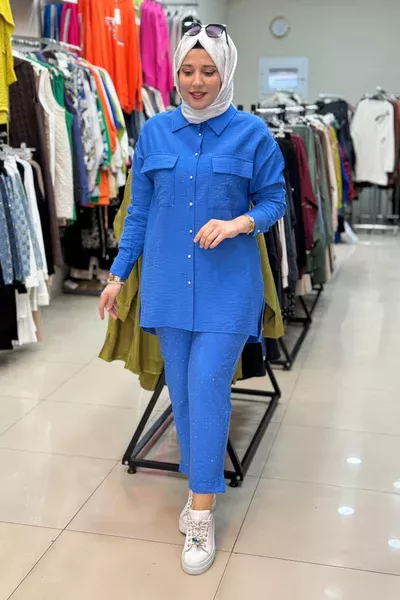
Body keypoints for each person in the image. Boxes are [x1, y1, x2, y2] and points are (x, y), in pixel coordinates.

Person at [99, 23, 286, 576]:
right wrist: (116, 275)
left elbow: (275, 200)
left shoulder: (252, 134)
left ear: (226, 72)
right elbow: (138, 212)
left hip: (228, 287)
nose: (197, 82)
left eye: (208, 71)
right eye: (187, 70)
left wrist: (238, 223)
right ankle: (198, 485)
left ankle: (201, 512)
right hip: (167, 286)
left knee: (207, 386)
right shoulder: (155, 133)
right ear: (175, 73)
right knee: (181, 395)